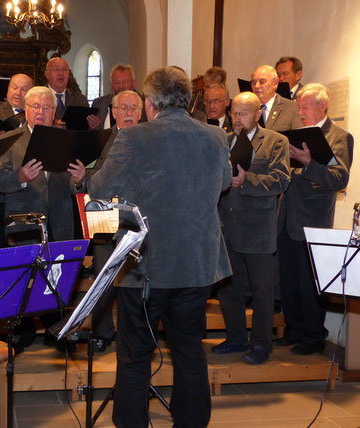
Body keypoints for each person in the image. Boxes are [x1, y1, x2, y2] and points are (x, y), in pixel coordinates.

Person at [88, 66, 232, 428]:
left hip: (145, 266)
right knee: (189, 352)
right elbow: (226, 182)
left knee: (136, 355)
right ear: (189, 99)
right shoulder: (216, 137)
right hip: (197, 266)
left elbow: (101, 188)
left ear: (150, 103)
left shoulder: (135, 137)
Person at [0, 86, 83, 351]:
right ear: (26, 109)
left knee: (57, 281)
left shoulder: (65, 140)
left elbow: (70, 183)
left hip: (59, 219)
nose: (41, 112)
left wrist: (78, 181)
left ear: (54, 111)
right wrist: (20, 178)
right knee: (23, 279)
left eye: (47, 107)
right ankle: (22, 331)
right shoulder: (11, 140)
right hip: (24, 221)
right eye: (36, 107)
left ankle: (57, 332)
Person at [276, 83, 354, 355]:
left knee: (309, 284)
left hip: (313, 221)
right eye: (299, 107)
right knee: (289, 281)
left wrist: (309, 163)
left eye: (305, 106)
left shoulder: (338, 137)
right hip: (286, 218)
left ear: (323, 106)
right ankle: (294, 330)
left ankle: (313, 337)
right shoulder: (298, 135)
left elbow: (339, 178)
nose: (300, 111)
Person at [213, 92, 290, 365]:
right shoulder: (222, 140)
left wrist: (248, 180)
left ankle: (260, 344)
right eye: (234, 112)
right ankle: (236, 338)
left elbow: (281, 180)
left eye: (243, 112)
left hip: (258, 229)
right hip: (226, 225)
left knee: (261, 291)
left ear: (258, 114)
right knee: (228, 289)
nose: (237, 118)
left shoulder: (275, 142)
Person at [80, 89, 144, 352]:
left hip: (138, 223)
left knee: (136, 283)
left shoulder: (149, 140)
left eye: (133, 108)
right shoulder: (99, 140)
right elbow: (88, 177)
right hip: (105, 220)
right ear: (113, 112)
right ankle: (103, 332)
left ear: (141, 113)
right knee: (104, 280)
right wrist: (82, 178)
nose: (128, 113)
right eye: (123, 108)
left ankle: (135, 335)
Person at [0, 74, 34, 248]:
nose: (18, 93)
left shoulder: (39, 114)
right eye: (14, 87)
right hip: (0, 193)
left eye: (24, 89)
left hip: (29, 195)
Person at [45, 56, 100, 128]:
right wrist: (51, 124)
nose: (61, 73)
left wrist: (93, 125)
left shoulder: (80, 99)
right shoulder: (37, 97)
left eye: (64, 70)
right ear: (47, 74)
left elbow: (86, 131)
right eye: (56, 69)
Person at [91, 63, 146, 128]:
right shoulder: (99, 103)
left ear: (134, 83)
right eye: (117, 82)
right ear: (111, 84)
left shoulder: (145, 103)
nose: (121, 86)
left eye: (125, 82)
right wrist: (95, 127)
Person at [250, 65, 302, 131]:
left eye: (262, 82)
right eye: (254, 83)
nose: (256, 86)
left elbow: (298, 139)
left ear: (275, 83)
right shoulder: (246, 108)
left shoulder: (293, 108)